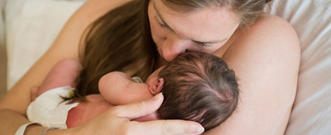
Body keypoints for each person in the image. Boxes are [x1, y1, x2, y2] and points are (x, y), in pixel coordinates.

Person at [0, 0, 300, 134]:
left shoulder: (266, 42)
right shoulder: (97, 16)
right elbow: (0, 120)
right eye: (162, 22)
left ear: (244, 20)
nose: (169, 53)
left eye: (203, 44)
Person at [27, 51, 239, 131]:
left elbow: (106, 82)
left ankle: (40, 94)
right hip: (60, 129)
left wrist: (129, 82)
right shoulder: (159, 128)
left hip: (51, 109)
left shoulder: (137, 95)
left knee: (69, 65)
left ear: (158, 84)